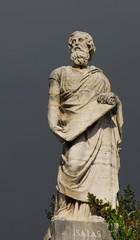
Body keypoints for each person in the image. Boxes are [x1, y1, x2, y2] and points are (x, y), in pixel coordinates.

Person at [47, 31, 123, 221]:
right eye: (73, 42)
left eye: (81, 41)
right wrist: (53, 124)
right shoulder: (59, 73)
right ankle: (65, 209)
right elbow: (53, 102)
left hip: (99, 129)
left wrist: (112, 99)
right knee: (72, 164)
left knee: (100, 169)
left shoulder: (100, 78)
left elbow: (108, 103)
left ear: (90, 47)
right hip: (73, 128)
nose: (77, 44)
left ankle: (96, 211)